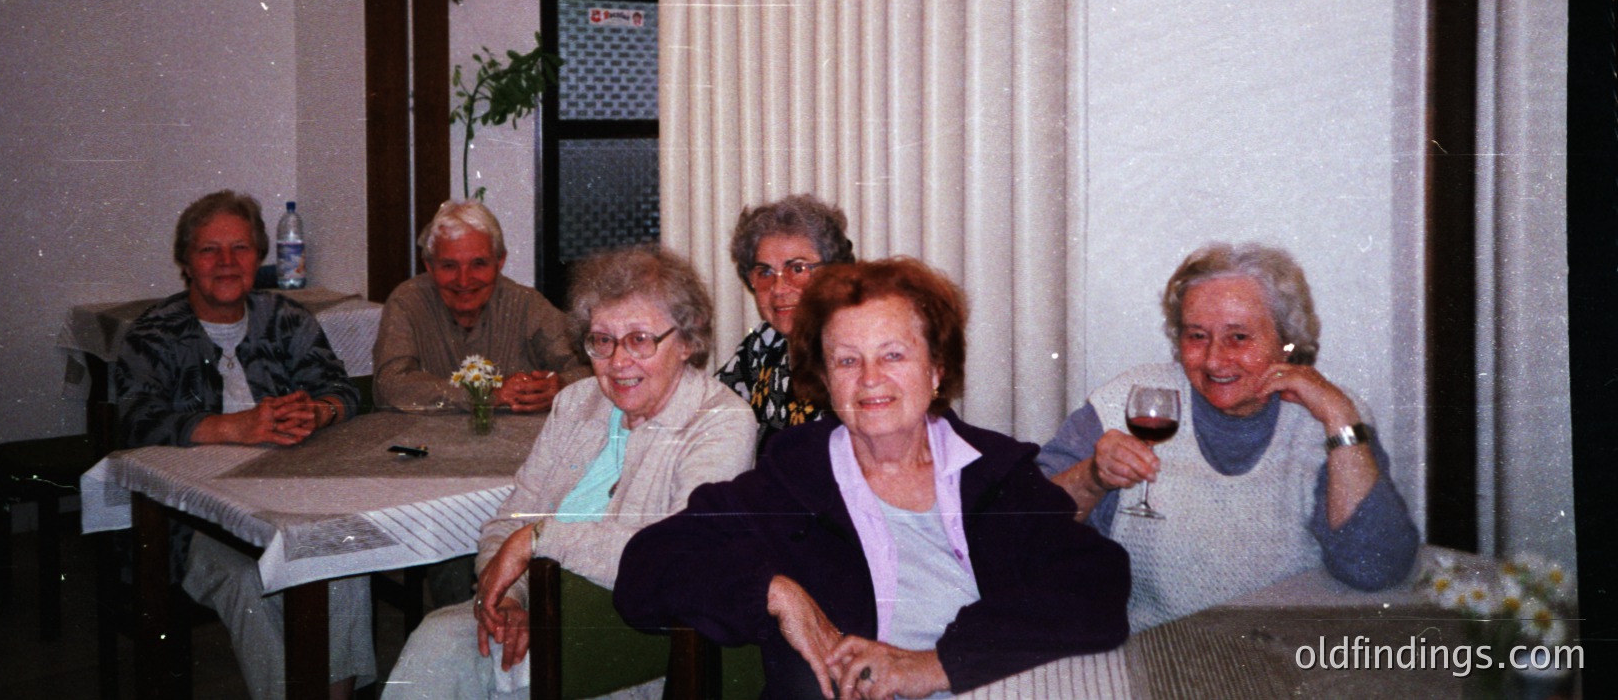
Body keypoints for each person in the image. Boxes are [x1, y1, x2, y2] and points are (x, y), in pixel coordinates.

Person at [616, 258, 1130, 700]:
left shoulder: (992, 471)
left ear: (935, 370)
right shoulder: (792, 481)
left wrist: (932, 665)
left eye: (893, 355)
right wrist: (772, 591)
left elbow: (1097, 587)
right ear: (825, 378)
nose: (869, 379)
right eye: (846, 360)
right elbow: (645, 567)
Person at [383, 245, 757, 699]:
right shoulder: (578, 403)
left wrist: (540, 539)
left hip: (626, 639)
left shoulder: (720, 420)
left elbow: (681, 551)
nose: (619, 361)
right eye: (602, 340)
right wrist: (512, 599)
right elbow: (510, 520)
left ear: (685, 342)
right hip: (540, 611)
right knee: (437, 640)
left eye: (640, 339)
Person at [1038, 241, 1419, 632]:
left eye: (1239, 337)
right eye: (1197, 336)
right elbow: (1020, 531)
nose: (1215, 360)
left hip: (1287, 662)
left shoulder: (1328, 416)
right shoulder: (1131, 402)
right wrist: (1094, 477)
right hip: (1153, 652)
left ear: (1286, 341)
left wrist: (1339, 418)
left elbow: (1375, 568)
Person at [114, 190, 370, 700]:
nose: (227, 263)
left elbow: (342, 390)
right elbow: (136, 422)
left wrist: (318, 411)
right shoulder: (152, 335)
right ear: (186, 262)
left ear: (260, 257)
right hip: (186, 521)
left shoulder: (287, 320)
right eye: (210, 250)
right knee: (245, 581)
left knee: (344, 558)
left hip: (289, 498)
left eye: (242, 249)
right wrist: (236, 428)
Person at [374, 199, 588, 415]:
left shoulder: (526, 304)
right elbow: (390, 384)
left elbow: (591, 365)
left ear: (500, 261)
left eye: (478, 264)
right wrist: (485, 394)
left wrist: (561, 385)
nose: (464, 281)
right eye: (449, 266)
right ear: (429, 266)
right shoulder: (407, 302)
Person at [715, 194, 854, 449]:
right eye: (765, 272)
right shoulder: (765, 343)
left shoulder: (851, 354)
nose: (779, 288)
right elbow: (709, 406)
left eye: (798, 269)